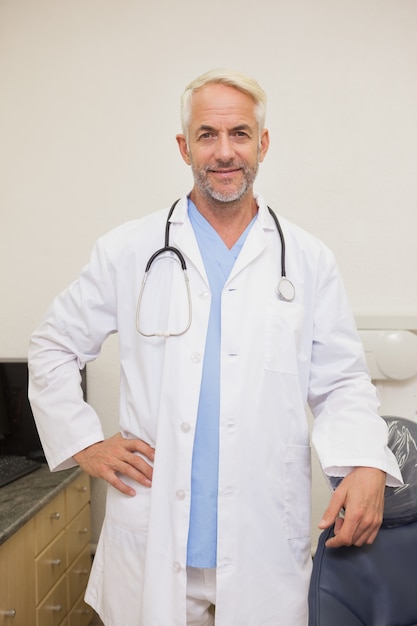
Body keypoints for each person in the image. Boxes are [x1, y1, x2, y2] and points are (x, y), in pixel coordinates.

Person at [28, 69, 402, 626]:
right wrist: (84, 444)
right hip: (154, 534)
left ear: (263, 144)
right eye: (207, 135)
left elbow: (341, 380)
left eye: (240, 134)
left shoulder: (307, 258)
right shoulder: (129, 249)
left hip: (264, 539)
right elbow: (54, 345)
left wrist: (368, 462)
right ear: (184, 148)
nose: (224, 152)